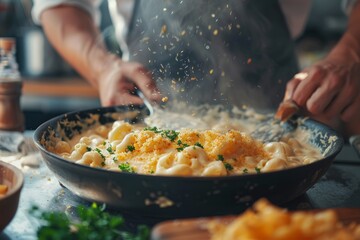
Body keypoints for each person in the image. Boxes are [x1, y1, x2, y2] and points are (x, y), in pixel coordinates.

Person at [32, 0, 360, 137]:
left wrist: (351, 52)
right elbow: (59, 5)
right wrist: (103, 68)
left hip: (277, 120)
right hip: (144, 117)